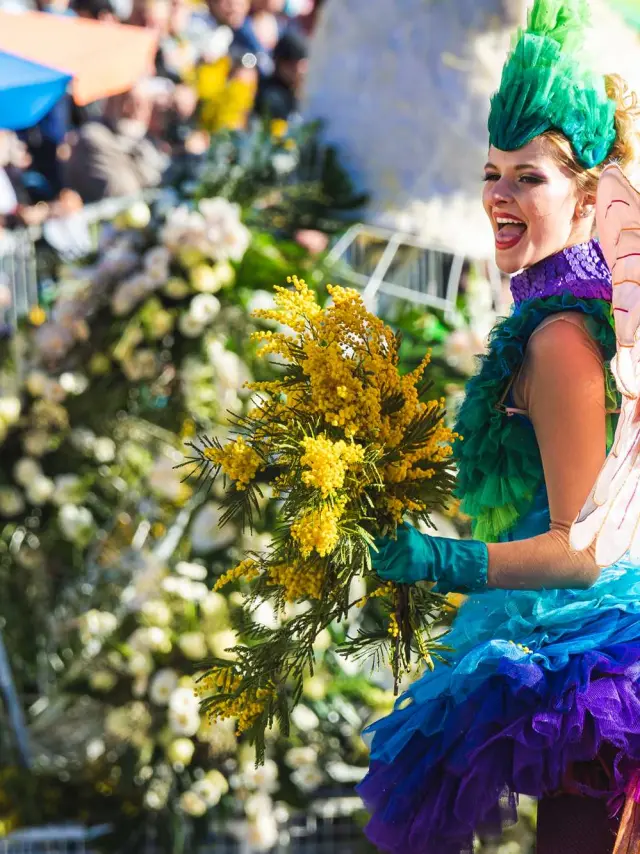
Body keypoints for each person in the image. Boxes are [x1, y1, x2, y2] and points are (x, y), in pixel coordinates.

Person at [357, 2, 640, 854]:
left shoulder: (560, 338)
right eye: (492, 173)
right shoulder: (570, 316)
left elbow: (583, 552)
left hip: (597, 660)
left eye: (530, 177)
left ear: (589, 197)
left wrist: (442, 561)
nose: (500, 197)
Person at [63, 80, 169, 203]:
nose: (130, 110)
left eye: (140, 105)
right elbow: (122, 190)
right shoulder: (93, 136)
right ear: (110, 102)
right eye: (125, 100)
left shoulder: (146, 141)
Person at [254, 27, 308, 121]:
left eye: (302, 64)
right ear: (279, 65)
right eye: (292, 66)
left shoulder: (301, 89)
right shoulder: (271, 95)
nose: (299, 71)